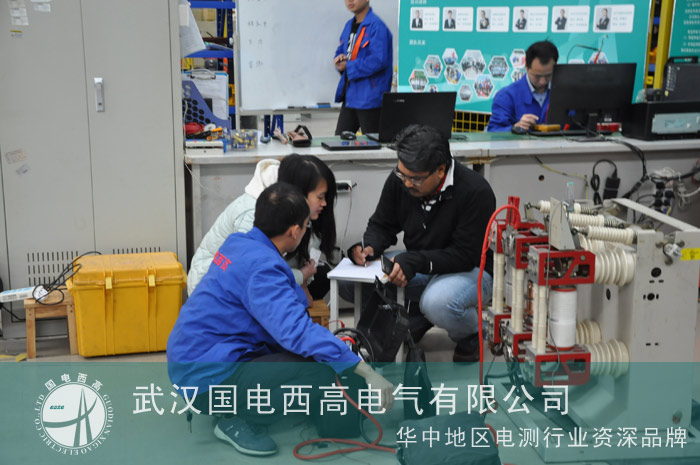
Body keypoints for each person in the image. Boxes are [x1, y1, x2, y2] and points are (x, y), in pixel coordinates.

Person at [168, 182, 393, 456]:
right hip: (205, 378)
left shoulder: (239, 243)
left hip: (192, 357)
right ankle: (237, 420)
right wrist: (365, 371)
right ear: (294, 231)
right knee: (320, 373)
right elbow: (296, 332)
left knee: (307, 354)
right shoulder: (263, 268)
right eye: (306, 226)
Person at [343, 125, 496, 363]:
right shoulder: (402, 180)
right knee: (349, 282)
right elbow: (382, 223)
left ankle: (472, 334)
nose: (406, 183)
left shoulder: (475, 191)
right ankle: (417, 317)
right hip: (424, 264)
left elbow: (465, 255)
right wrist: (369, 247)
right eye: (402, 174)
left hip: (471, 269)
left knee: (437, 302)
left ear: (441, 170)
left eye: (414, 178)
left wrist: (415, 261)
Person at [187, 155, 338, 304]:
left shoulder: (290, 206)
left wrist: (303, 282)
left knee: (321, 276)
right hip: (216, 284)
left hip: (251, 275)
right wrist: (300, 276)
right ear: (301, 192)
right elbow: (252, 273)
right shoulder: (252, 215)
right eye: (320, 197)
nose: (324, 203)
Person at [334, 0, 393, 135]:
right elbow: (341, 49)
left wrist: (348, 66)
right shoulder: (348, 25)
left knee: (373, 143)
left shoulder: (377, 26)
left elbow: (378, 60)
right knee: (339, 142)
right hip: (350, 97)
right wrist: (338, 59)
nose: (350, 1)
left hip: (370, 98)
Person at [487, 40, 559, 132]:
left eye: (548, 75)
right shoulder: (506, 96)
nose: (543, 82)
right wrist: (514, 128)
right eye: (537, 76)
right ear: (526, 67)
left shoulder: (564, 93)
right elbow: (493, 131)